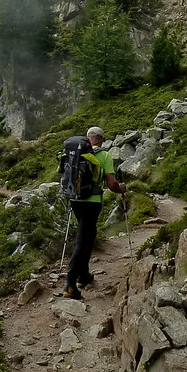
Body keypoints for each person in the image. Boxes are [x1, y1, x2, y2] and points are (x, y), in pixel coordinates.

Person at [64, 126, 127, 299]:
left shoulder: (75, 154)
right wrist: (122, 188)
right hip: (92, 202)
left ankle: (84, 276)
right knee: (83, 239)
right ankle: (70, 283)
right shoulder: (104, 156)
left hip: (75, 199)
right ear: (100, 138)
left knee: (88, 235)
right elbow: (112, 185)